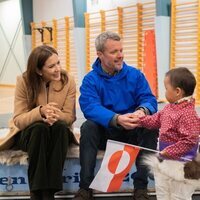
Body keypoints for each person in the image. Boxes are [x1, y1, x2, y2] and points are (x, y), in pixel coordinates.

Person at [73, 31, 158, 200]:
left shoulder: (135, 75)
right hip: (107, 133)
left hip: (133, 131)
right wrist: (117, 119)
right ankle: (85, 188)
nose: (120, 56)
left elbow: (149, 99)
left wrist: (142, 111)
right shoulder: (90, 80)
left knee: (151, 126)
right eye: (114, 52)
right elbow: (90, 107)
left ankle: (141, 188)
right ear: (100, 54)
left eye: (121, 50)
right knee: (88, 127)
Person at [11, 45, 76, 200]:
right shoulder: (23, 81)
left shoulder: (68, 80)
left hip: (57, 131)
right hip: (30, 133)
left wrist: (55, 114)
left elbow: (70, 117)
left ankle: (49, 193)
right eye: (51, 66)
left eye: (58, 63)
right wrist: (40, 112)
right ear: (39, 71)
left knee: (60, 128)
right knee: (39, 129)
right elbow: (18, 120)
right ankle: (36, 191)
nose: (58, 69)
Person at [135, 67, 200, 200]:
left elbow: (190, 140)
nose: (164, 92)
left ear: (177, 92)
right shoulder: (169, 108)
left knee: (179, 197)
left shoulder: (188, 113)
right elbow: (155, 120)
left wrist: (170, 151)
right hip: (165, 162)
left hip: (183, 166)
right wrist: (140, 119)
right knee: (163, 194)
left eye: (166, 88)